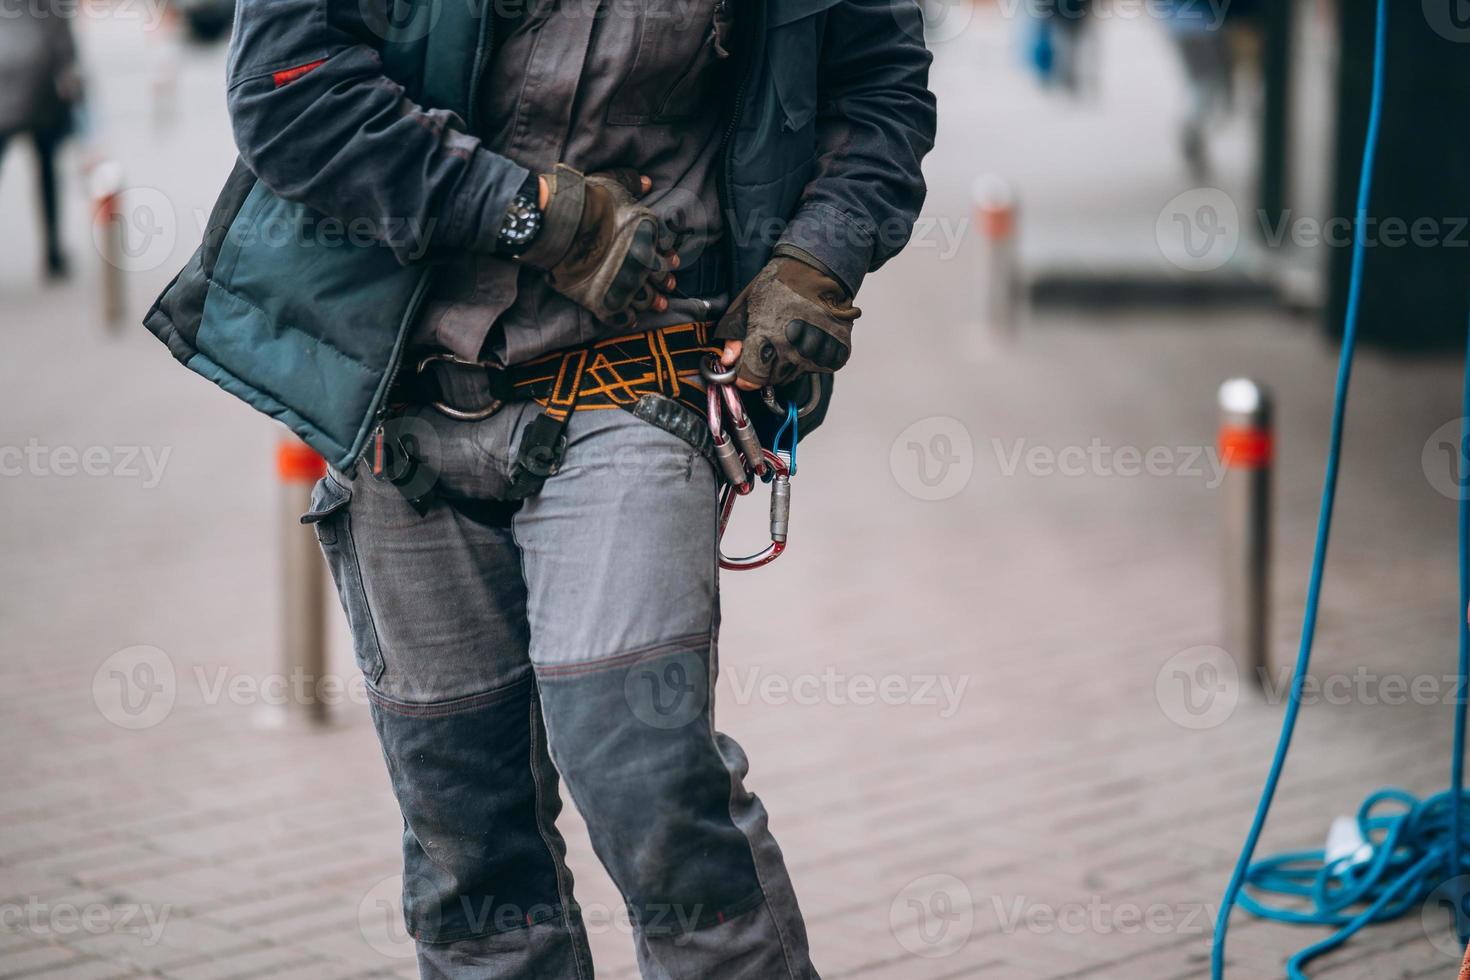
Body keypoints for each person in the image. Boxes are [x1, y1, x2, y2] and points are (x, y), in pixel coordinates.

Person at [144, 0, 935, 975]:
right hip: (404, 400)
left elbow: (878, 93)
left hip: (633, 378)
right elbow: (290, 93)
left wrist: (816, 258)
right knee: (468, 854)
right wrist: (534, 213)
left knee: (647, 781)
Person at [0, 6, 82, 280]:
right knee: (46, 165)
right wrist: (69, 64)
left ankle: (53, 250)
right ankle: (53, 250)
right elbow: (57, 18)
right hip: (38, 71)